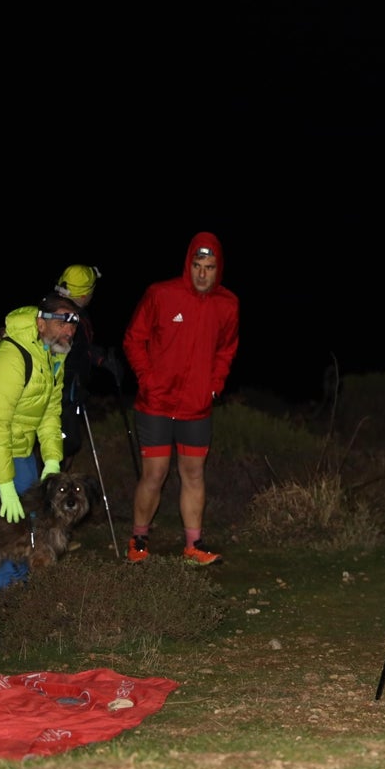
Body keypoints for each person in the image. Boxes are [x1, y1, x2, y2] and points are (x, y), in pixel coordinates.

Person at [122, 231, 239, 566]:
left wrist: (214, 385)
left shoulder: (228, 304)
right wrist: (147, 379)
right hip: (155, 405)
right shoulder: (161, 294)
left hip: (196, 407)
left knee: (193, 474)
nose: (202, 273)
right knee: (155, 473)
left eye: (210, 267)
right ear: (188, 264)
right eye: (197, 265)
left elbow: (227, 349)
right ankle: (139, 540)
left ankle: (194, 545)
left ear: (219, 269)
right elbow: (134, 339)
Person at [0, 292, 82, 588]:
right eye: (63, 321)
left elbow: (51, 412)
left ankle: (23, 581)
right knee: (21, 516)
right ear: (41, 323)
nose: (69, 329)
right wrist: (4, 483)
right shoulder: (11, 358)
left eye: (74, 323)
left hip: (20, 441)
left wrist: (52, 458)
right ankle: (9, 589)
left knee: (33, 509)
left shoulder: (55, 354)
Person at [53, 264, 124, 470]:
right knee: (66, 445)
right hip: (61, 393)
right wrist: (102, 359)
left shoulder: (49, 307)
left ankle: (51, 487)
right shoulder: (71, 318)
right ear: (84, 294)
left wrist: (99, 357)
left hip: (55, 391)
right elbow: (75, 351)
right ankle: (50, 492)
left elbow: (78, 347)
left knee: (61, 444)